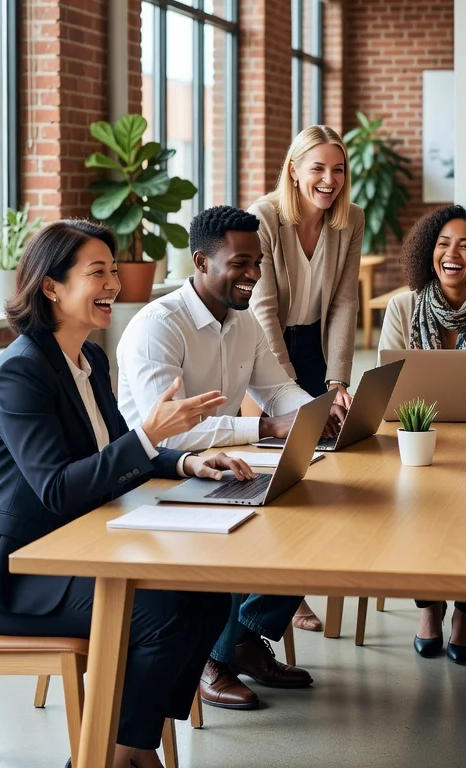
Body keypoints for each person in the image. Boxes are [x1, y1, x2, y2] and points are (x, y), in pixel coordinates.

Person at [0, 221, 250, 768]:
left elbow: (113, 453)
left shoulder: (91, 359)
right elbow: (59, 489)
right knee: (166, 615)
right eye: (98, 272)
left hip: (74, 551)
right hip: (14, 577)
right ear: (51, 287)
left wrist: (185, 461)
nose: (114, 283)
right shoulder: (20, 372)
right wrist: (150, 435)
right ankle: (111, 758)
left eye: (114, 270)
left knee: (206, 599)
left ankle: (128, 750)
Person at [117, 206, 336, 710]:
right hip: (156, 478)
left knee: (315, 517)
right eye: (240, 263)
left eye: (257, 263)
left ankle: (243, 638)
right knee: (255, 523)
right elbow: (170, 430)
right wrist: (267, 427)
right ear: (201, 262)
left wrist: (316, 414)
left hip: (221, 468)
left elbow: (276, 389)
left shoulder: (243, 323)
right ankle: (213, 657)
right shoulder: (158, 326)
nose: (254, 274)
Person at [377, 205, 466, 662]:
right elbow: (387, 388)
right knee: (414, 502)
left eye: (465, 245)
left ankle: (465, 609)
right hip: (414, 438)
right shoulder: (402, 306)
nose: (452, 254)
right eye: (443, 244)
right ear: (429, 252)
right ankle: (428, 605)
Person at [249, 126, 364, 632]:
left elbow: (344, 301)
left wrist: (337, 380)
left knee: (324, 468)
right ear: (293, 170)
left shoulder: (350, 219)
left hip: (317, 345)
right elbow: (263, 308)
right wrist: (287, 387)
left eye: (338, 169)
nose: (329, 179)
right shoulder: (264, 217)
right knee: (280, 474)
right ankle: (276, 594)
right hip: (268, 347)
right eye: (317, 168)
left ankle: (292, 586)